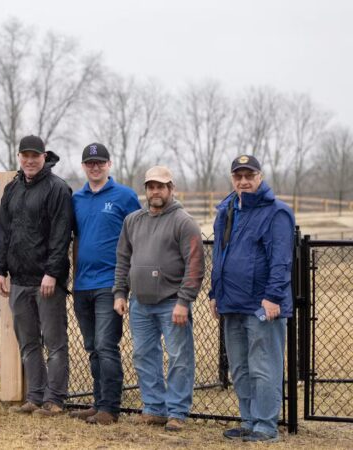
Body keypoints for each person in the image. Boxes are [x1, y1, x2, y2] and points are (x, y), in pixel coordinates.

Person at [209, 155, 295, 443]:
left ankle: (265, 426)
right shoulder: (226, 211)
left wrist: (273, 297)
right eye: (238, 176)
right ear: (232, 179)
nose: (243, 181)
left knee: (263, 366)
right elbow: (219, 255)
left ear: (260, 176)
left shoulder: (276, 213)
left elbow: (281, 261)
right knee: (241, 368)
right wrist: (214, 293)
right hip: (231, 303)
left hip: (261, 306)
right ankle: (248, 421)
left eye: (249, 175)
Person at [113, 165, 204, 432]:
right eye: (151, 186)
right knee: (143, 355)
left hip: (172, 303)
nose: (155, 191)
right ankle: (154, 408)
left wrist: (184, 301)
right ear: (146, 190)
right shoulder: (133, 220)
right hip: (139, 304)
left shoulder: (183, 222)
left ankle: (177, 411)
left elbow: (195, 265)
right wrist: (120, 293)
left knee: (179, 357)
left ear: (171, 189)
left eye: (161, 186)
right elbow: (122, 259)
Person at [0, 135, 73, 418]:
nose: (29, 160)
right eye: (24, 155)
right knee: (28, 343)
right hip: (19, 280)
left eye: (34, 155)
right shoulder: (12, 189)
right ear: (19, 157)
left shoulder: (57, 189)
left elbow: (61, 235)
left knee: (54, 343)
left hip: (46, 281)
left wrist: (52, 272)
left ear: (44, 156)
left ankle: (55, 399)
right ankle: (35, 397)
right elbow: (3, 232)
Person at [70, 143, 141, 424]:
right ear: (84, 166)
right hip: (82, 284)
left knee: (105, 344)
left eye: (100, 162)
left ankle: (110, 408)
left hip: (110, 283)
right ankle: (98, 403)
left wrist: (126, 282)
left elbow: (138, 236)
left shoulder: (125, 196)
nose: (95, 167)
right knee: (91, 346)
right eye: (90, 163)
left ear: (109, 164)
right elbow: (74, 238)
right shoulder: (77, 198)